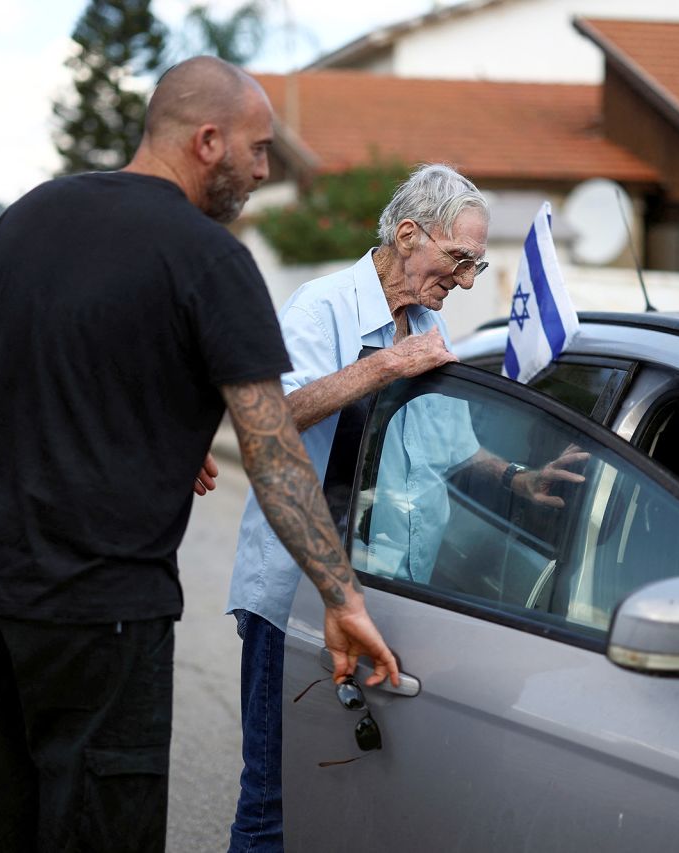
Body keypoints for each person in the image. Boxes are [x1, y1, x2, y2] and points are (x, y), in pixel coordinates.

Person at [0, 56, 397, 853]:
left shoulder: (29, 216)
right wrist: (343, 598)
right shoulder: (210, 259)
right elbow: (275, 452)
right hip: (95, 602)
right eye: (256, 147)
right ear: (207, 141)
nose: (264, 168)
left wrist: (137, 433)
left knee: (11, 822)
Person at [227, 164, 525, 851]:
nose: (468, 281)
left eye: (477, 266)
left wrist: (515, 479)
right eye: (459, 260)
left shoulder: (422, 322)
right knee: (275, 803)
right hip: (299, 595)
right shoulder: (321, 306)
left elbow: (452, 452)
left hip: (387, 593)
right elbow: (273, 415)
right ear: (409, 234)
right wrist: (384, 366)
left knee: (352, 796)